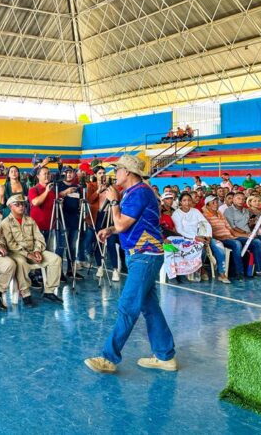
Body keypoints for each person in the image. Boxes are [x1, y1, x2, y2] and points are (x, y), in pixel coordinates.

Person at [84, 155, 176, 374]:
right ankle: (166, 355)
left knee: (128, 306)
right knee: (150, 307)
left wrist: (114, 202)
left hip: (144, 255)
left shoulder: (139, 193)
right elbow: (126, 225)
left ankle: (109, 358)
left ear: (128, 172)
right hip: (143, 254)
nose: (115, 174)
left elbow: (123, 223)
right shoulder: (136, 193)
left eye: (118, 170)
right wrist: (111, 230)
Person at [0, 194, 63, 306]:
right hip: (16, 253)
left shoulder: (30, 220)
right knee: (21, 262)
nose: (21, 207)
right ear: (10, 207)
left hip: (33, 251)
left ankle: (49, 291)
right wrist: (28, 255)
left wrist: (37, 250)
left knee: (55, 259)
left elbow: (39, 237)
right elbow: (11, 244)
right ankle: (25, 294)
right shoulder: (5, 223)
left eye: (23, 204)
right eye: (17, 204)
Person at [172, 193, 229, 283]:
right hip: (187, 239)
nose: (187, 203)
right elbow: (180, 230)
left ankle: (221, 273)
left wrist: (208, 236)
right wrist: (195, 237)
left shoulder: (195, 211)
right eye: (184, 200)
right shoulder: (176, 214)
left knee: (219, 246)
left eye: (189, 200)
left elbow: (205, 223)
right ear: (180, 202)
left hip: (202, 236)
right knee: (201, 249)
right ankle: (200, 269)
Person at [223, 193, 261, 277]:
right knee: (256, 242)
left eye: (243, 199)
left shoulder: (246, 210)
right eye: (238, 198)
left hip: (248, 235)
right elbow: (232, 227)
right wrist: (246, 234)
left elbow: (248, 225)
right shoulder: (228, 211)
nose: (241, 201)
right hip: (236, 235)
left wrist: (251, 224)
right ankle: (241, 272)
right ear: (234, 200)